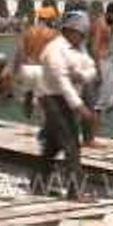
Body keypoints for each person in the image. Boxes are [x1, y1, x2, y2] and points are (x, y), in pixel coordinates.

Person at [36, 11, 97, 201]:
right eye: (81, 33)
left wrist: (81, 75)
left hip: (67, 99)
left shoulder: (79, 48)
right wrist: (80, 107)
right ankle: (75, 190)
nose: (83, 37)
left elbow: (92, 68)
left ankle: (38, 184)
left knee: (53, 146)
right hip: (53, 99)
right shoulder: (55, 49)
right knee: (71, 144)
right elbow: (62, 82)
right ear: (70, 30)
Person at [84, 2, 113, 148]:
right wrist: (97, 70)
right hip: (100, 63)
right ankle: (90, 139)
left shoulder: (106, 24)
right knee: (98, 104)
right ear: (112, 13)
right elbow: (93, 47)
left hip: (106, 63)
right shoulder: (100, 24)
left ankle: (89, 137)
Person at [14, 6, 58, 118]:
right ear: (49, 19)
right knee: (44, 99)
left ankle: (27, 122)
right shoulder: (53, 34)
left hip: (28, 67)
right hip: (42, 69)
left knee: (28, 96)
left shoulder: (28, 31)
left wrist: (16, 71)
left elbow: (20, 52)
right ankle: (42, 126)